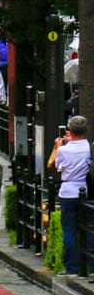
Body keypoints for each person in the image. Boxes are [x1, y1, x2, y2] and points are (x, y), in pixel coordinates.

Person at [48, 116, 90, 277]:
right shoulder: (88, 147)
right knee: (89, 228)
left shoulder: (64, 149)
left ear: (70, 130)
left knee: (69, 230)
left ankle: (72, 268)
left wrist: (59, 147)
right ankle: (91, 267)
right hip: (84, 189)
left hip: (67, 191)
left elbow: (58, 166)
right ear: (86, 130)